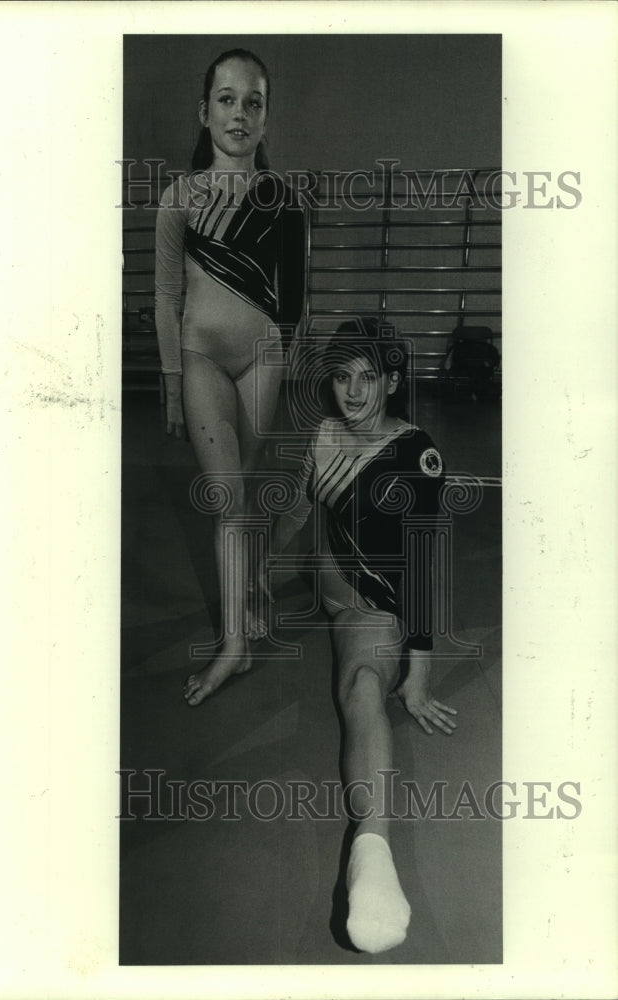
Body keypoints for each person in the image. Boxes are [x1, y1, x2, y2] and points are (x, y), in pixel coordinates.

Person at [263, 317, 457, 954]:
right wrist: (256, 570)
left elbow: (426, 565)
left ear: (391, 382)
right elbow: (299, 508)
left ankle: (372, 856)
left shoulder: (414, 454)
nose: (351, 392)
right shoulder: (322, 435)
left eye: (366, 378)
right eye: (341, 378)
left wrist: (420, 672)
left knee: (360, 684)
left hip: (370, 607)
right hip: (325, 581)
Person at [154, 48, 305, 706]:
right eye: (226, 99)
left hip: (263, 357)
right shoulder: (179, 197)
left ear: (266, 117)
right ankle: (235, 647)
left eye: (253, 102)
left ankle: (252, 588)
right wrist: (169, 378)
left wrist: (290, 372)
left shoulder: (283, 203)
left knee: (242, 498)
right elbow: (165, 296)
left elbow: (297, 303)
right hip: (203, 358)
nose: (239, 112)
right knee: (226, 501)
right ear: (203, 111)